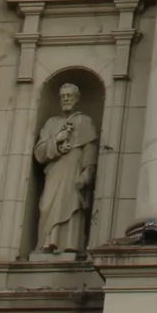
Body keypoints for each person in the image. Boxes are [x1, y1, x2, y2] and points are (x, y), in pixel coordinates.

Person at [32, 81, 99, 253]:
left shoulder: (85, 121)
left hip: (73, 171)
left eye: (69, 96)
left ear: (77, 99)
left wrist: (87, 172)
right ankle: (47, 244)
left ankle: (68, 245)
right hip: (54, 171)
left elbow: (90, 149)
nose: (66, 99)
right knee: (47, 206)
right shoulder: (51, 124)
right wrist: (57, 140)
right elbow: (39, 153)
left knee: (71, 204)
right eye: (63, 96)